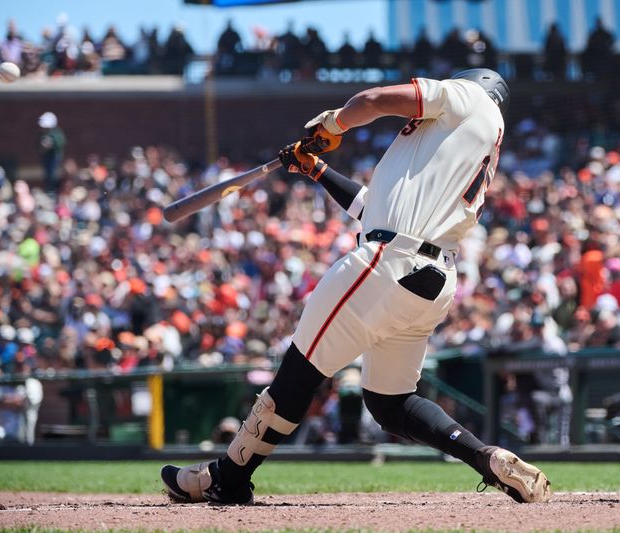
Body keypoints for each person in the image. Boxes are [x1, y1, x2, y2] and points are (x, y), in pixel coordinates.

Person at [161, 69, 551, 505]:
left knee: (299, 371)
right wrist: (317, 169)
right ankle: (486, 457)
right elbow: (373, 210)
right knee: (391, 403)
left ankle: (227, 477)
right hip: (430, 278)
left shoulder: (467, 97)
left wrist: (334, 123)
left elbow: (374, 98)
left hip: (388, 263)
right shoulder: (461, 146)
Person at [37, 111, 65, 193]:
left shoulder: (56, 133)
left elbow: (60, 142)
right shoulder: (43, 135)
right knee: (48, 177)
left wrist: (51, 143)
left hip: (54, 160)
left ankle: (53, 190)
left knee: (53, 176)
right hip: (47, 160)